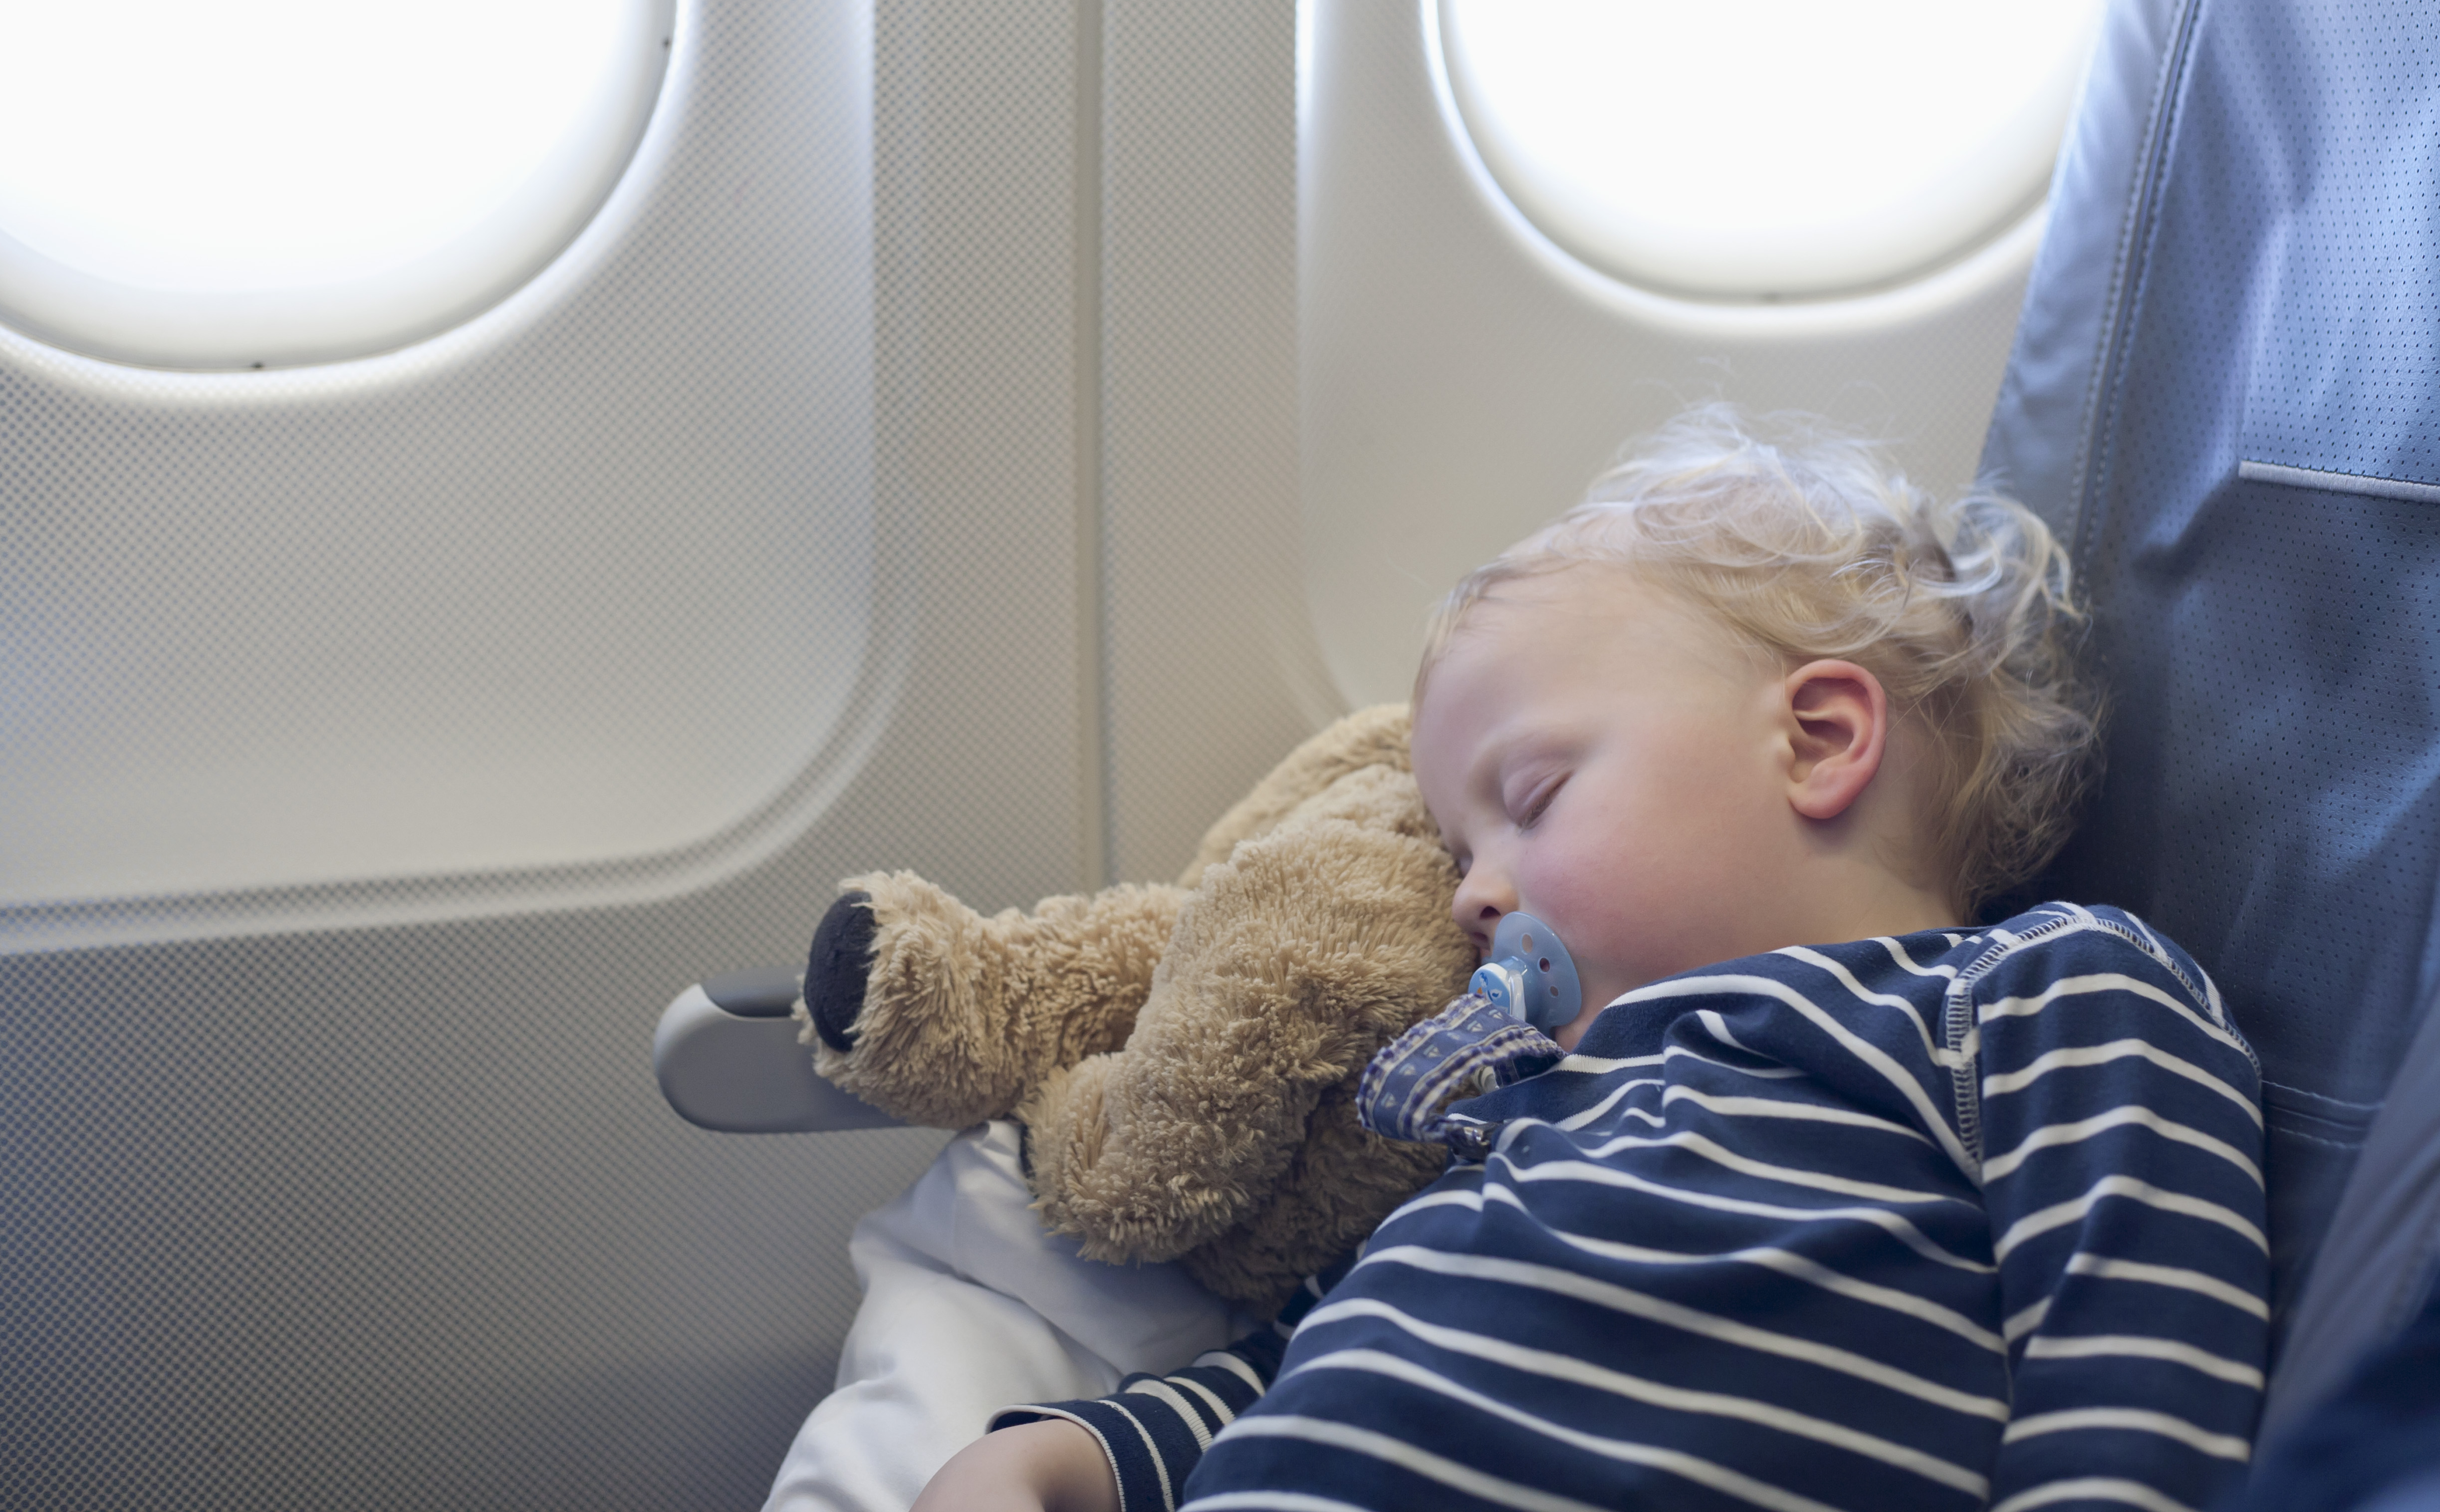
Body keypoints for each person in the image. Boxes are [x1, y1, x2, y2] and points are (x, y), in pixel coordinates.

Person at [912, 404, 2271, 1512]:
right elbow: (1324, 1353)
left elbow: (2136, 1372)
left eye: (1536, 799)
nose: (1471, 900)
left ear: (1814, 741)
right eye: (1457, 855)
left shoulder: (2036, 999)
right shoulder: (1517, 1112)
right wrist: (1078, 1456)